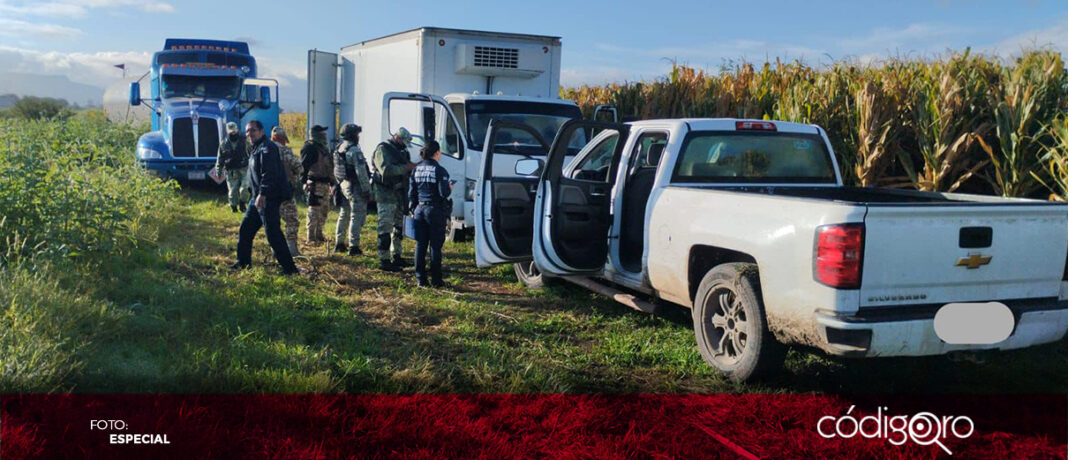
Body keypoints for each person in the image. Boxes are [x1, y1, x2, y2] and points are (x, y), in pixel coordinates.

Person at [231, 120, 299, 276]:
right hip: (256, 199)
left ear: (261, 131)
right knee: (246, 229)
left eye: (253, 130)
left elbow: (269, 173)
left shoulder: (268, 148)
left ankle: (290, 269)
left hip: (267, 198)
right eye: (247, 131)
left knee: (273, 234)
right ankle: (243, 263)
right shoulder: (256, 148)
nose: (249, 134)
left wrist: (263, 193)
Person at [372, 127, 417, 272]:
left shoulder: (403, 152)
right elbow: (386, 170)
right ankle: (384, 259)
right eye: (403, 142)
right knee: (385, 226)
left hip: (399, 193)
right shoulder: (383, 150)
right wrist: (406, 168)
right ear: (397, 138)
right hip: (386, 194)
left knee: (399, 226)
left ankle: (396, 255)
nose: (404, 145)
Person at [408, 140, 453, 287]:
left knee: (420, 245)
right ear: (437, 153)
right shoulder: (440, 170)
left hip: (420, 209)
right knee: (435, 246)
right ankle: (436, 280)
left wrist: (413, 209)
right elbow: (443, 193)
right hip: (434, 211)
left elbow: (411, 193)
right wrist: (449, 187)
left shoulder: (416, 169)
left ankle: (420, 279)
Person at [333, 123, 372, 256]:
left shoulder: (339, 148)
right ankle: (354, 247)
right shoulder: (354, 150)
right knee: (356, 215)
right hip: (354, 187)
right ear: (352, 135)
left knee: (344, 214)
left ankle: (339, 243)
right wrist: (367, 190)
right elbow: (361, 173)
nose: (358, 136)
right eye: (357, 134)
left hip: (343, 184)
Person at [272, 126, 303, 257]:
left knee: (274, 221)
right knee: (292, 220)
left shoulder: (264, 150)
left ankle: (275, 249)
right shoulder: (285, 151)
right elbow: (299, 167)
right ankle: (292, 250)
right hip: (284, 191)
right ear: (282, 138)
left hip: (268, 192)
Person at [300, 125, 334, 244]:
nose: (324, 135)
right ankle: (311, 238)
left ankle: (319, 235)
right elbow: (303, 167)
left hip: (325, 183)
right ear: (316, 134)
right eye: (322, 133)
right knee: (314, 211)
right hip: (314, 184)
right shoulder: (309, 148)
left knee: (324, 211)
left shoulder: (322, 148)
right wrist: (304, 182)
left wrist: (332, 183)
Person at [216, 121, 250, 212]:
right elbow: (220, 158)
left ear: (237, 130)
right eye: (231, 132)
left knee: (245, 187)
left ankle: (243, 203)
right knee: (233, 191)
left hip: (244, 169)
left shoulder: (244, 141)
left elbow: (252, 153)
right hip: (231, 171)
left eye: (234, 131)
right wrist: (218, 171)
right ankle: (233, 207)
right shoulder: (223, 144)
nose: (233, 133)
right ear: (227, 132)